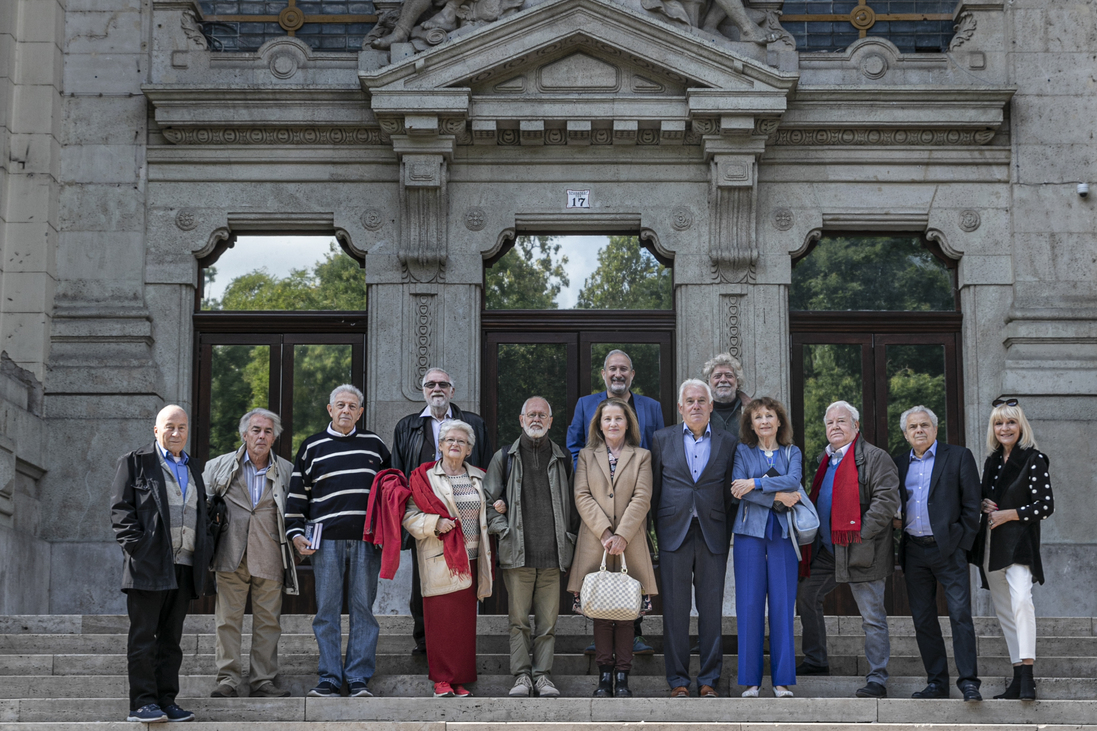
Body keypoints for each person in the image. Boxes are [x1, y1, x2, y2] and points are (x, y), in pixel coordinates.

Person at [285, 384, 391, 699]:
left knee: (363, 609)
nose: (346, 410)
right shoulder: (311, 446)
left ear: (360, 412)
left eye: (353, 406)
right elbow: (296, 497)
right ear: (330, 410)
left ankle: (358, 677)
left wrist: (389, 534)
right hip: (324, 541)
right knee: (327, 611)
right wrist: (295, 532)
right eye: (340, 405)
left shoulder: (375, 445)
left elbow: (389, 493)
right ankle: (330, 678)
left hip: (366, 540)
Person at [110, 405, 213, 723]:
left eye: (182, 427)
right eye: (170, 427)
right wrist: (139, 549)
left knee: (171, 640)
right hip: (148, 566)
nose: (176, 433)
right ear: (156, 430)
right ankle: (141, 703)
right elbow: (120, 510)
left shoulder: (194, 466)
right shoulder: (135, 461)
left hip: (184, 566)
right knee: (144, 637)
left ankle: (166, 700)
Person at [796, 400, 900, 699]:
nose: (835, 427)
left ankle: (877, 678)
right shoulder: (825, 460)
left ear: (856, 426)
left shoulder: (876, 458)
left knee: (872, 616)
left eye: (841, 421)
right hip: (827, 551)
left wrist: (860, 534)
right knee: (806, 596)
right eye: (830, 423)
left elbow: (886, 503)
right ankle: (816, 660)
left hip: (861, 550)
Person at [567, 348, 664, 655]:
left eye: (624, 369)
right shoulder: (585, 405)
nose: (618, 374)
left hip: (634, 508)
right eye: (613, 369)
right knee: (599, 571)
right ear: (604, 374)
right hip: (595, 507)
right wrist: (591, 477)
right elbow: (574, 444)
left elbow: (657, 452)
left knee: (631, 571)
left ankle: (633, 634)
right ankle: (601, 637)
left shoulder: (652, 407)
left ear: (632, 375)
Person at [392, 367, 491, 656]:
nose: (437, 388)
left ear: (452, 391)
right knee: (423, 581)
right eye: (431, 384)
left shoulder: (472, 423)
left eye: (443, 384)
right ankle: (424, 640)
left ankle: (458, 643)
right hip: (425, 520)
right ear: (423, 391)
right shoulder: (407, 426)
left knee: (463, 582)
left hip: (466, 517)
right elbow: (398, 473)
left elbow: (484, 467)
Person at [650, 379, 738, 698]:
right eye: (690, 401)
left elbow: (731, 492)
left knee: (711, 610)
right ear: (680, 407)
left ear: (711, 406)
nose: (696, 406)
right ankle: (678, 681)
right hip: (674, 533)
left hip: (713, 534)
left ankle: (709, 680)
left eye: (702, 400)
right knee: (675, 610)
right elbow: (655, 490)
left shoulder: (729, 442)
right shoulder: (661, 439)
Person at [484, 396, 574, 699]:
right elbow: (487, 501)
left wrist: (570, 540)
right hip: (517, 555)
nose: (536, 419)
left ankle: (543, 676)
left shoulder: (564, 459)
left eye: (542, 415)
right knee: (519, 622)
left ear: (550, 421)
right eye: (530, 415)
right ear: (521, 420)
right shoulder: (504, 458)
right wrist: (503, 529)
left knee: (548, 625)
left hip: (553, 557)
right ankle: (521, 676)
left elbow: (575, 506)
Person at [205, 408, 298, 699]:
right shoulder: (218, 466)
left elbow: (297, 512)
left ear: (274, 438)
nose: (261, 436)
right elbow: (203, 509)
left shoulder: (287, 469)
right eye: (256, 430)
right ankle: (227, 680)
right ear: (244, 434)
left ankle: (263, 681)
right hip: (230, 552)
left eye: (268, 431)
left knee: (268, 622)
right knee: (227, 620)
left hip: (270, 553)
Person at [569, 398, 658, 699]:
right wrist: (606, 532)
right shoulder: (585, 455)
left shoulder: (642, 456)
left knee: (626, 613)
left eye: (618, 419)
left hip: (629, 542)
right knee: (601, 613)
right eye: (607, 419)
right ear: (599, 424)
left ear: (627, 423)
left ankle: (623, 677)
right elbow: (581, 496)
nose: (613, 424)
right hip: (596, 542)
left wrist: (621, 534)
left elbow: (642, 497)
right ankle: (604, 676)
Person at [892, 406, 982, 702]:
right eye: (913, 427)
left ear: (935, 428)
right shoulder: (898, 463)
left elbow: (973, 505)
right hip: (914, 550)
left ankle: (969, 682)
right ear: (906, 434)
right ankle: (937, 683)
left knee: (959, 615)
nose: (919, 430)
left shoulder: (958, 456)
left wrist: (961, 542)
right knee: (923, 619)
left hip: (948, 550)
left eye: (924, 425)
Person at [970, 398, 1053, 701]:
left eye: (1011, 422)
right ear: (993, 428)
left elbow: (1046, 506)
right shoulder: (992, 461)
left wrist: (1009, 513)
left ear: (1021, 425)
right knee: (1005, 611)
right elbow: (984, 496)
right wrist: (982, 504)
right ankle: (1017, 677)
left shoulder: (1034, 459)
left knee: (1021, 601)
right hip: (991, 545)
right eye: (998, 423)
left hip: (1019, 545)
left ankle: (1029, 675)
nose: (1005, 428)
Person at [403, 419, 493, 698]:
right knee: (440, 622)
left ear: (469, 450)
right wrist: (434, 523)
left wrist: (498, 506)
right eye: (449, 440)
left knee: (464, 625)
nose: (455, 444)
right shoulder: (423, 476)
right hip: (442, 558)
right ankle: (442, 679)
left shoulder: (481, 476)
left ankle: (460, 678)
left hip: (473, 558)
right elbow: (408, 515)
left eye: (461, 441)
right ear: (440, 446)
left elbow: (490, 510)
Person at [730, 397, 810, 698]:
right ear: (751, 424)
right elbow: (738, 487)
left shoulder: (792, 452)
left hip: (783, 536)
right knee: (749, 606)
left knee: (782, 606)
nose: (764, 421)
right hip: (749, 535)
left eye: (770, 416)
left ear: (779, 422)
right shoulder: (742, 451)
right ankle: (751, 681)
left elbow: (793, 480)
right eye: (758, 417)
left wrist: (757, 484)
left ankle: (781, 681)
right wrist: (777, 496)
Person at [703, 353, 751, 439]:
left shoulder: (752, 410)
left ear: (737, 382)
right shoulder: (700, 410)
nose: (723, 380)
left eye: (729, 376)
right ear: (708, 383)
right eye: (717, 376)